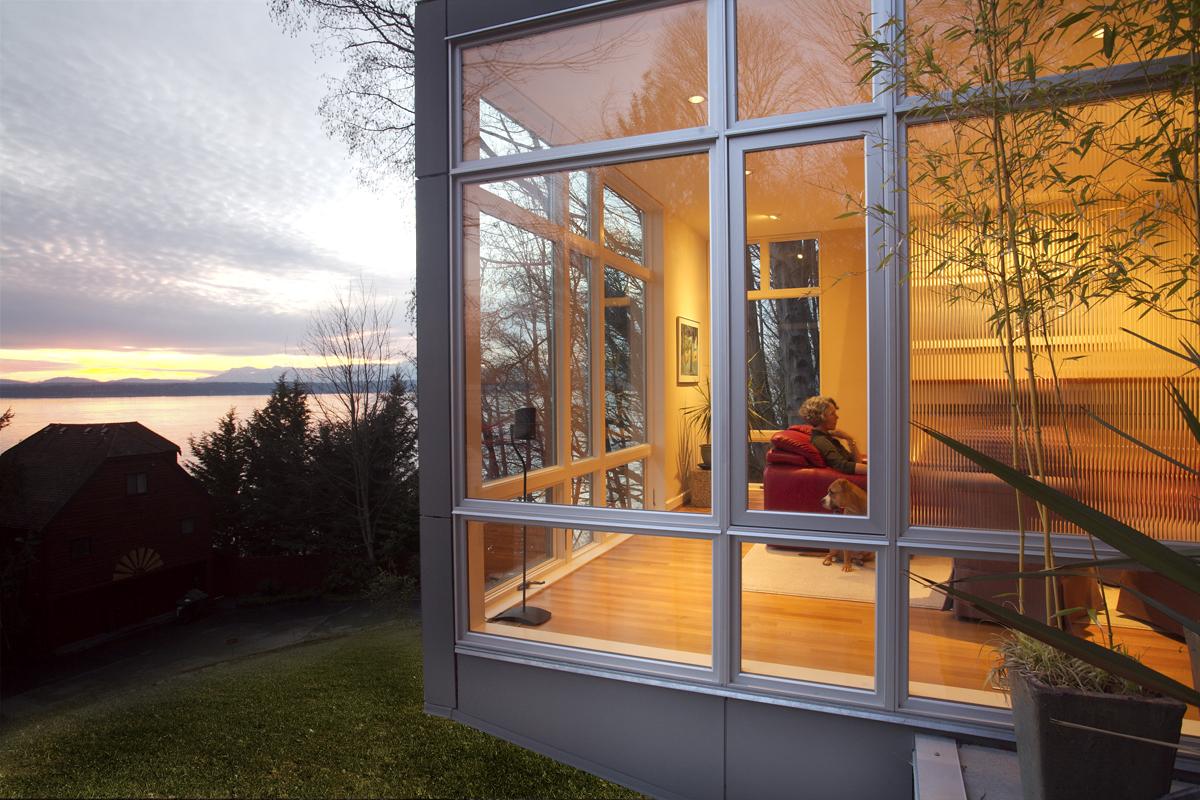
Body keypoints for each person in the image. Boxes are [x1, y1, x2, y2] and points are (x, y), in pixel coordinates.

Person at [797, 396, 867, 475]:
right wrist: (875, 471)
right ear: (821, 417)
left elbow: (857, 462)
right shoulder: (821, 441)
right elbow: (844, 467)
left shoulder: (828, 437)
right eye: (832, 414)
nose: (837, 417)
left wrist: (849, 439)